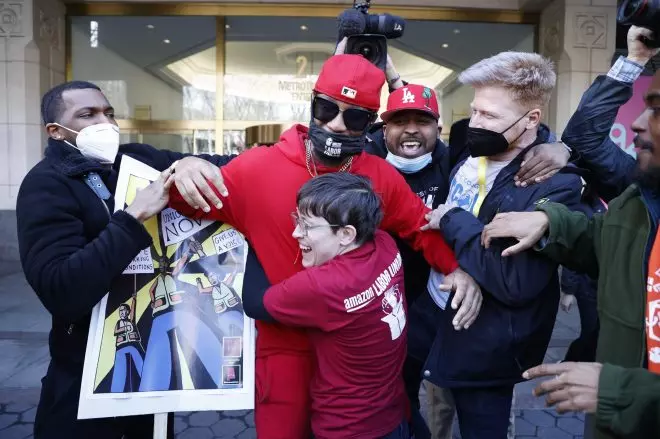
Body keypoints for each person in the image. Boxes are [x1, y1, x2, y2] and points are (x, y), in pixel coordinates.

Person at [168, 54, 483, 439]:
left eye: (354, 117)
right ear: (313, 102)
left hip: (358, 356)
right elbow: (184, 200)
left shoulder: (379, 174)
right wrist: (183, 167)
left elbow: (421, 227)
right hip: (286, 349)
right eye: (326, 108)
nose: (336, 124)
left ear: (369, 123)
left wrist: (455, 269)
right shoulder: (256, 169)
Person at [16, 81, 234, 438]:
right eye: (87, 115)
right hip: (83, 376)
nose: (106, 123)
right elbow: (61, 290)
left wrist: (190, 161)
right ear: (55, 131)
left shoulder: (135, 160)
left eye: (109, 113)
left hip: (151, 371)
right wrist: (133, 218)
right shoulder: (44, 185)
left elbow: (225, 167)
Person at [479, 28, 660, 439]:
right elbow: (607, 236)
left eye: (658, 109)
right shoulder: (642, 197)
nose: (637, 122)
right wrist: (551, 221)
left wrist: (621, 391)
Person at [421, 51, 583, 439]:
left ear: (531, 120)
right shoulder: (468, 140)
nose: (475, 123)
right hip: (436, 317)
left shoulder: (554, 184)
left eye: (489, 116)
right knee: (430, 416)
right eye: (474, 110)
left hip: (488, 346)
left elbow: (514, 280)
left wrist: (452, 220)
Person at [243, 172, 410, 439]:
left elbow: (255, 303)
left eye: (307, 226)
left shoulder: (324, 286)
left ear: (346, 234)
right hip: (390, 416)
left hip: (346, 427)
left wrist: (252, 237)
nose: (296, 233)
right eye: (297, 220)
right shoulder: (385, 244)